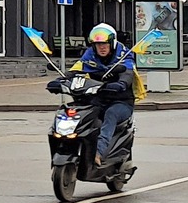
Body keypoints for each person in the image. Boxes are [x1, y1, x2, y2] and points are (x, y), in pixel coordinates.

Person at [59, 22, 137, 165]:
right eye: (98, 44)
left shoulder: (123, 56)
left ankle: (98, 153)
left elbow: (128, 73)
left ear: (112, 43)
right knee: (79, 112)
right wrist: (61, 80)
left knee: (111, 114)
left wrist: (121, 84)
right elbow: (77, 69)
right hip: (98, 100)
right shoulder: (90, 57)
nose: (101, 47)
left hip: (121, 102)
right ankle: (70, 146)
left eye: (104, 44)